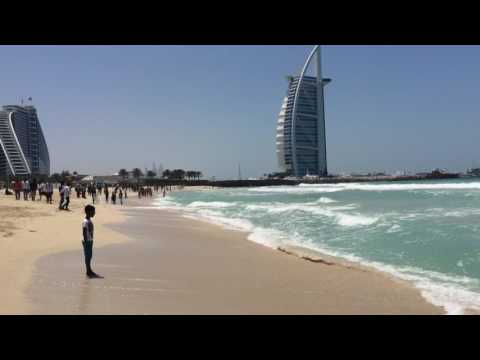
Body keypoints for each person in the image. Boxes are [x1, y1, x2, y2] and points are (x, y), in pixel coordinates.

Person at [82, 205, 102, 279]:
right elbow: (84, 231)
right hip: (87, 241)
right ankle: (88, 271)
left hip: (89, 240)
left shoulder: (89, 220)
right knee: (87, 256)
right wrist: (86, 240)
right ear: (88, 212)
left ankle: (89, 270)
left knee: (89, 256)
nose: (94, 213)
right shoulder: (85, 221)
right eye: (93, 211)